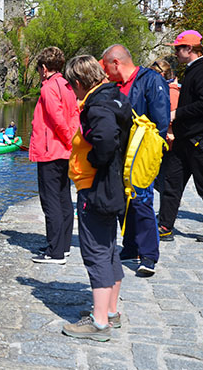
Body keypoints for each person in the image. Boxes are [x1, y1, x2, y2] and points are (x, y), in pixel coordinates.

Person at [62, 54, 133, 341]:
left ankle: (100, 323)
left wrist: (91, 157)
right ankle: (111, 311)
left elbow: (104, 140)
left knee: (96, 254)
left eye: (73, 86)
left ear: (79, 82)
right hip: (114, 185)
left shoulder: (97, 105)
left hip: (97, 188)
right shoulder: (115, 96)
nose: (73, 92)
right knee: (108, 248)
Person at [101, 44, 170, 276]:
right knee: (123, 201)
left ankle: (148, 255)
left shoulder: (150, 80)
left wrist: (151, 153)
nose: (105, 72)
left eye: (106, 66)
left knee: (142, 200)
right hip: (120, 153)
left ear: (116, 63)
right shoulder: (115, 86)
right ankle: (130, 247)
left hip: (141, 152)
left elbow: (160, 121)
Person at [29, 46, 80, 264]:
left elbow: (58, 118)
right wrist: (72, 144)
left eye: (39, 69)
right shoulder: (66, 85)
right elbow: (75, 115)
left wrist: (67, 139)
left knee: (51, 202)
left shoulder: (49, 88)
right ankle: (63, 245)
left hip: (51, 151)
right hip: (64, 151)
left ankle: (55, 252)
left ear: (43, 68)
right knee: (63, 199)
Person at [158, 30, 203, 243]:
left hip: (200, 139)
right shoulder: (193, 70)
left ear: (189, 49)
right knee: (171, 182)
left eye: (179, 48)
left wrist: (176, 114)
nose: (176, 52)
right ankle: (164, 226)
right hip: (184, 139)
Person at [149, 59, 180, 192]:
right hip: (160, 138)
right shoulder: (162, 89)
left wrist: (169, 130)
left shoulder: (171, 91)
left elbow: (171, 115)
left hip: (168, 140)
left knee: (164, 178)